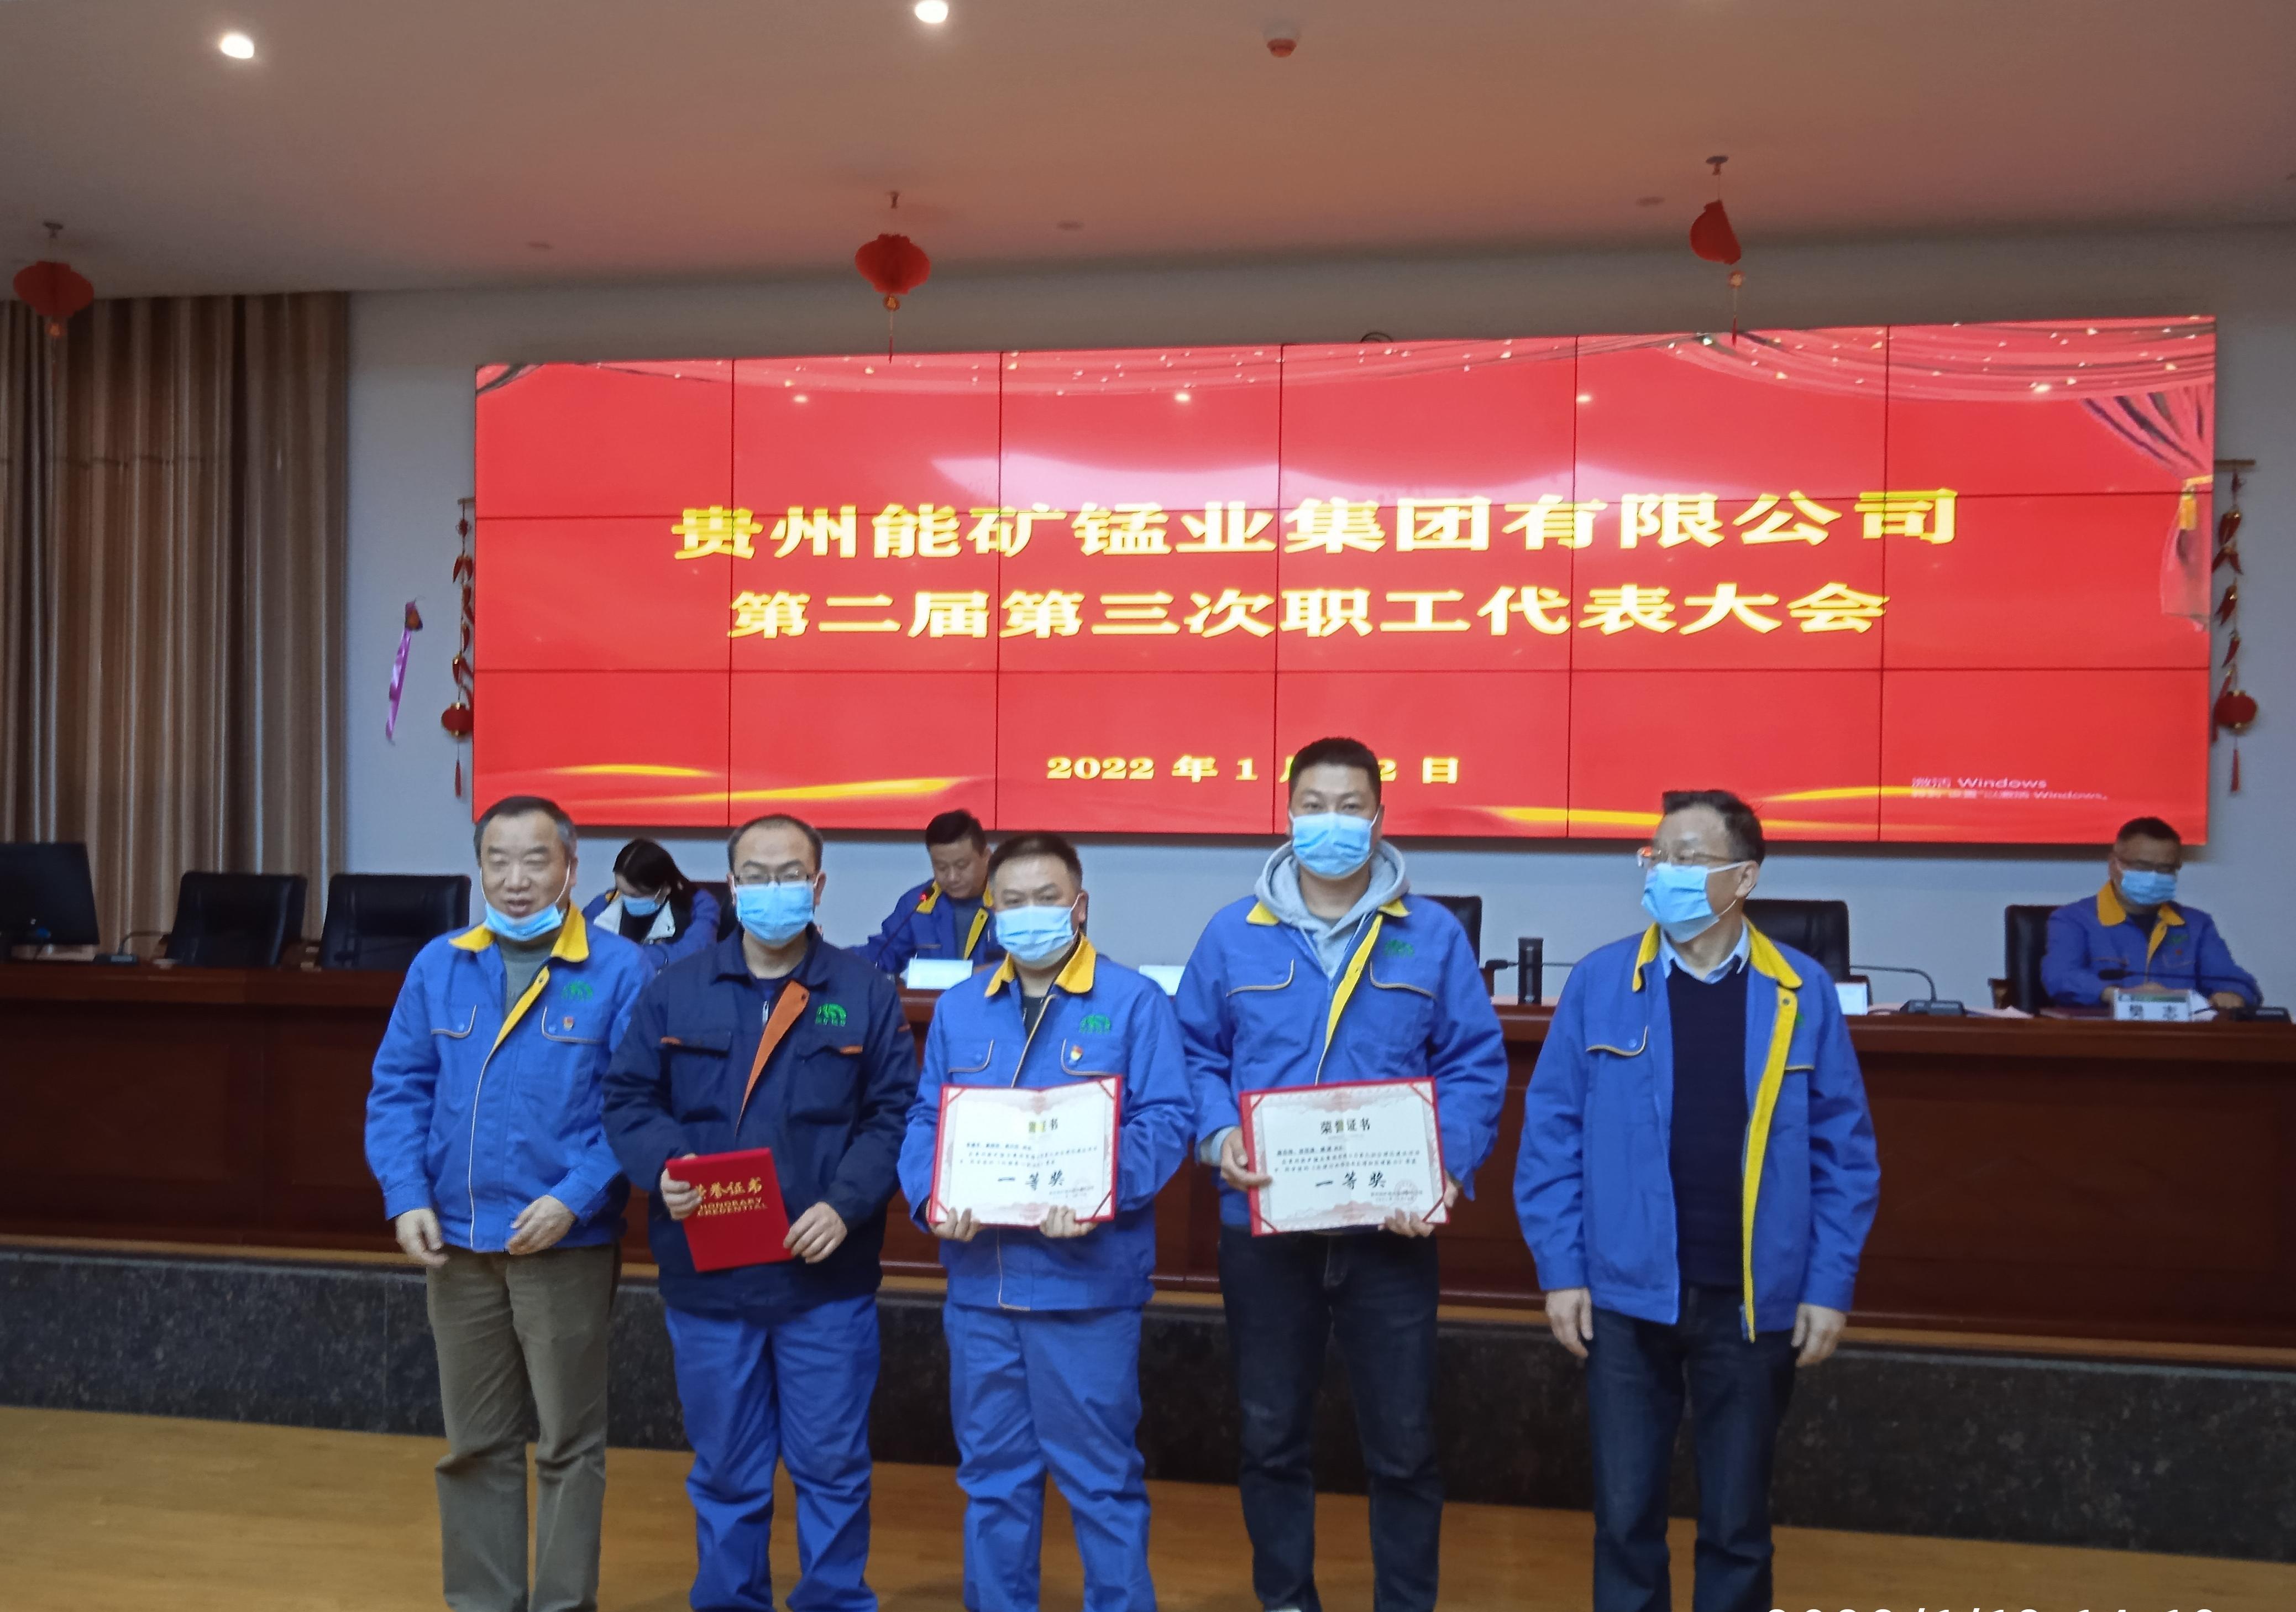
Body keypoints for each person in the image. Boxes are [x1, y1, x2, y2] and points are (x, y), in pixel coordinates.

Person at [1514, 789, 1881, 1612]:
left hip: (1751, 1299)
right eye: (1656, 857)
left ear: (1743, 877)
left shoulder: (1799, 989)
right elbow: (1550, 1138)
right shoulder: (1601, 980)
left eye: (1687, 858)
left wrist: (1827, 1285)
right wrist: (1561, 1270)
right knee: (1624, 1518)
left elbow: (1845, 1154)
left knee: (1736, 1522)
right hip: (1625, 1296)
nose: (1663, 873)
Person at [1175, 735, 1508, 1612]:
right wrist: (1217, 1135)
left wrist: (1444, 1165)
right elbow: (1192, 1054)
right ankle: (1287, 1599)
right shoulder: (1232, 935)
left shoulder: (1429, 935)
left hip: (1389, 1235)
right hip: (1264, 1232)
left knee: (1403, 1446)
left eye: (1350, 808)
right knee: (1269, 1438)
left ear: (1379, 819)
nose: (1332, 823)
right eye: (1314, 807)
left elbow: (1473, 1065)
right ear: (1288, 815)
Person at [602, 813, 918, 1612]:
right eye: (755, 876)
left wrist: (846, 1205)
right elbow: (629, 1097)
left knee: (832, 1469)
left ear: (817, 886)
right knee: (726, 1472)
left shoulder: (865, 993)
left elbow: (895, 1116)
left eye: (790, 876)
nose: (773, 890)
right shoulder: (674, 989)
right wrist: (665, 1166)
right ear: (732, 888)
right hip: (710, 1279)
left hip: (825, 1281)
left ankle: (832, 1601)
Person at [365, 794, 652, 1612]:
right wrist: (404, 1195)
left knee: (567, 1443)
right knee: (475, 1444)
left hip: (562, 1243)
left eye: (535, 860)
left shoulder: (619, 970)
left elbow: (632, 1107)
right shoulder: (440, 964)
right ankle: (484, 1602)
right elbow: (398, 1091)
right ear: (480, 869)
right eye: (498, 861)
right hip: (457, 1246)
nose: (515, 879)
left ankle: (562, 1604)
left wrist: (575, 1198)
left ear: (570, 867)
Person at [897, 833, 1193, 1612]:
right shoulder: (960, 1008)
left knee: (1101, 1481)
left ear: (1079, 905)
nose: (1029, 913)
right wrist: (932, 1199)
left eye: (1047, 898)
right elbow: (927, 1119)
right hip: (982, 1288)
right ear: (991, 910)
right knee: (992, 1480)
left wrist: (1098, 1190)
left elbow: (1167, 1120)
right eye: (1013, 901)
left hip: (1085, 1289)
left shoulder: (1132, 1002)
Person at [2041, 815, 2258, 1009]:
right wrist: (2120, 996)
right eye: (2142, 867)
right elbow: (2060, 978)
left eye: (2165, 869)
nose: (2154, 876)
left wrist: (2233, 995)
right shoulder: (2073, 919)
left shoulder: (2196, 925)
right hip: (2104, 1035)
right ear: (2114, 864)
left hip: (2180, 1036)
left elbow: (2236, 981)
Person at [863, 808, 1003, 978]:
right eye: (941, 867)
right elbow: (884, 954)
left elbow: (1027, 965)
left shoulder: (1011, 901)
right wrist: (836, 960)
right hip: (936, 996)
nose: (952, 877)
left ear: (986, 856)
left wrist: (975, 975)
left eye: (962, 866)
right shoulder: (918, 904)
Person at [581, 836, 721, 975]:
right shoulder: (605, 903)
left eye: (635, 896)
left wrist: (626, 954)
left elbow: (696, 952)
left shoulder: (700, 905)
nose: (626, 899)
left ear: (665, 888)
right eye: (622, 891)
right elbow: (580, 942)